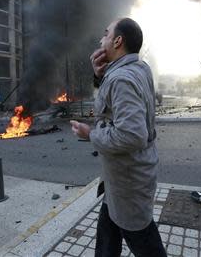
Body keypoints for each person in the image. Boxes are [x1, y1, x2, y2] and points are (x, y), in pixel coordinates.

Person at [69, 18, 166, 257]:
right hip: (119, 179)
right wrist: (98, 75)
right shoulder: (139, 67)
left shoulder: (120, 78)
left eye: (105, 34)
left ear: (118, 41)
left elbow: (132, 135)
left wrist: (90, 133)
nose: (101, 40)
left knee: (143, 240)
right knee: (107, 237)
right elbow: (112, 105)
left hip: (128, 182)